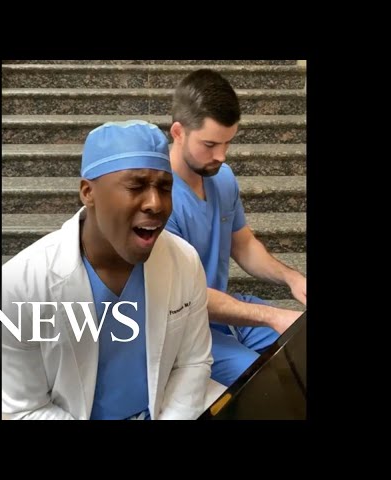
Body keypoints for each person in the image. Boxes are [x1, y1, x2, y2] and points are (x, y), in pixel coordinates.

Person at [1, 120, 214, 420]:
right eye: (136, 186)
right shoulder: (19, 285)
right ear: (88, 192)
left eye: (165, 188)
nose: (155, 204)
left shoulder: (184, 260)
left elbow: (193, 363)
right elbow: (24, 408)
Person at [166, 69, 306, 387]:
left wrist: (292, 278)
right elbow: (183, 296)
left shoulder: (222, 177)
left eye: (228, 142)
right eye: (210, 144)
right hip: (184, 328)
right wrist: (271, 316)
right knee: (266, 382)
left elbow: (243, 245)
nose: (221, 155)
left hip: (229, 313)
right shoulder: (156, 198)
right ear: (178, 132)